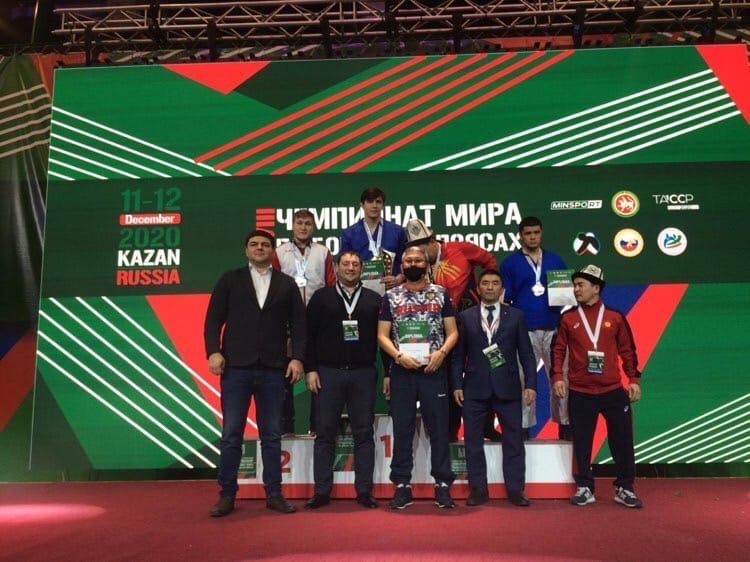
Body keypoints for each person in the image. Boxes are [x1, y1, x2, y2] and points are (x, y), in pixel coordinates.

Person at [204, 229, 305, 517]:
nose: (259, 248)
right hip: (236, 367)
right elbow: (213, 320)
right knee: (231, 434)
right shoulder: (229, 280)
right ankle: (227, 494)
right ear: (246, 250)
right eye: (254, 244)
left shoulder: (286, 284)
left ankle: (274, 493)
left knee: (272, 435)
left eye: (264, 245)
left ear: (272, 251)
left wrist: (298, 359)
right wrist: (213, 351)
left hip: (273, 369)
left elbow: (300, 326)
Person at [551, 265, 643, 508]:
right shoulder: (568, 318)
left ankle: (625, 487)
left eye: (581, 285)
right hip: (580, 392)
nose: (576, 289)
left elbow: (628, 349)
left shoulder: (615, 317)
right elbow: (558, 349)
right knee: (582, 442)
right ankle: (585, 487)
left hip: (612, 390)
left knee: (622, 441)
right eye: (575, 285)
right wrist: (557, 377)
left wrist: (633, 379)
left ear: (596, 288)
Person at [404, 218, 500, 442]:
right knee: (448, 378)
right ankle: (450, 431)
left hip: (472, 322)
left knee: (482, 370)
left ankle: (487, 425)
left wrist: (482, 291)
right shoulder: (420, 266)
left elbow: (489, 260)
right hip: (441, 328)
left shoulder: (460, 249)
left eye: (422, 248)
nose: (419, 255)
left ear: (432, 241)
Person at [377, 246, 458, 509]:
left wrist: (441, 354)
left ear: (427, 264)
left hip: (433, 370)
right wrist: (398, 357)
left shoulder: (441, 293)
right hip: (403, 371)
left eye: (418, 260)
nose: (413, 264)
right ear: (402, 266)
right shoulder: (391, 297)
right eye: (408, 260)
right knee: (402, 430)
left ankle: (442, 484)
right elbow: (382, 335)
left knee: (439, 429)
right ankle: (402, 485)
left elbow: (453, 332)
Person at [303, 250, 382, 510]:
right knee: (324, 433)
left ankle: (364, 491)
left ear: (362, 269)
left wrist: (388, 373)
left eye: (355, 264)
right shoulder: (321, 297)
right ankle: (321, 491)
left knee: (364, 433)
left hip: (363, 373)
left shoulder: (374, 300)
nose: (350, 268)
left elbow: (385, 338)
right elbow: (308, 336)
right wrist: (310, 369)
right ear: (336, 267)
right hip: (328, 372)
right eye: (346, 264)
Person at [451, 270, 537, 507]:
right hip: (474, 387)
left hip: (508, 387)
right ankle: (478, 489)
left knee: (514, 440)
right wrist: (456, 384)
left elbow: (527, 354)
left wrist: (531, 384)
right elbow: (458, 356)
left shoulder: (516, 316)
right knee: (472, 441)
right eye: (485, 283)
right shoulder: (465, 316)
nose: (490, 287)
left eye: (495, 283)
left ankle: (516, 489)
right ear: (478, 288)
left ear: (502, 289)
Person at [500, 216, 570, 439]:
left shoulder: (556, 261)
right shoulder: (510, 263)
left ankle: (565, 426)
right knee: (522, 380)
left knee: (561, 378)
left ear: (541, 233)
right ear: (520, 236)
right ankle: (523, 429)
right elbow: (505, 301)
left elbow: (565, 297)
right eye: (528, 233)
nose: (532, 237)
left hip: (553, 329)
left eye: (536, 232)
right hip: (524, 331)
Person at [272, 209, 336, 435]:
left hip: (317, 322)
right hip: (287, 324)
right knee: (285, 381)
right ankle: (285, 433)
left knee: (318, 380)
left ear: (313, 227)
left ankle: (318, 431)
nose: (303, 227)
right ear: (292, 225)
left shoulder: (323, 251)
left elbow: (330, 285)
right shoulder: (279, 252)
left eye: (308, 223)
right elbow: (273, 285)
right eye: (299, 223)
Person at [340, 187, 407, 296]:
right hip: (360, 292)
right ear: (362, 205)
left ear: (383, 205)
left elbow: (405, 261)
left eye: (378, 202)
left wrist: (399, 279)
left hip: (392, 291)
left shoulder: (397, 231)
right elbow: (344, 265)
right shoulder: (349, 234)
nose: (374, 205)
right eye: (370, 201)